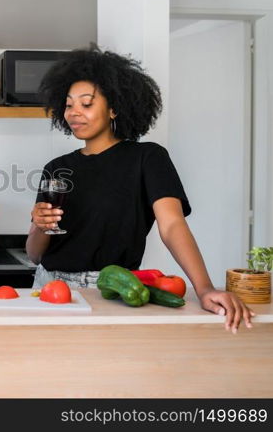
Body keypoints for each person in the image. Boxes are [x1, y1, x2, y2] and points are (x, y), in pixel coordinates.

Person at [25, 45, 254, 333]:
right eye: (69, 105)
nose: (74, 113)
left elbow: (172, 225)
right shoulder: (56, 167)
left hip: (113, 290)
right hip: (48, 288)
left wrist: (205, 288)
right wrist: (38, 225)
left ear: (113, 109)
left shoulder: (147, 158)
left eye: (86, 104)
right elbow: (35, 255)